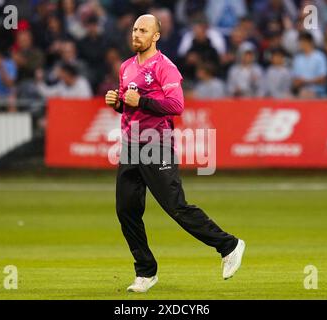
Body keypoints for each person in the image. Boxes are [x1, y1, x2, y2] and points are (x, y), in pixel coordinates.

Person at [104, 14, 245, 293]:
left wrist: (140, 100)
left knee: (175, 206)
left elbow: (176, 105)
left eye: (143, 30)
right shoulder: (126, 67)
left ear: (156, 36)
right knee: (126, 210)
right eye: (134, 29)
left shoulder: (164, 66)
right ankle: (145, 272)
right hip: (131, 146)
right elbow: (131, 107)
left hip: (157, 144)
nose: (137, 34)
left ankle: (229, 245)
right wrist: (118, 104)